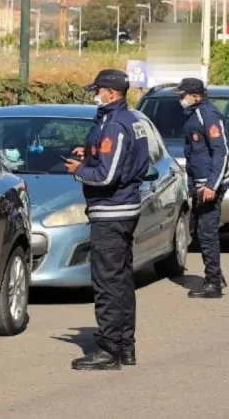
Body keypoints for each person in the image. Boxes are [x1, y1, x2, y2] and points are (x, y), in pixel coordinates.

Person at [63, 68, 150, 371]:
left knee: (107, 282)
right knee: (122, 280)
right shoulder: (131, 120)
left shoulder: (114, 125)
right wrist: (88, 153)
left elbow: (107, 176)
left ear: (111, 93)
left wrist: (79, 170)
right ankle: (126, 345)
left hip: (112, 213)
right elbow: (119, 159)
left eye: (98, 90)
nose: (95, 96)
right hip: (124, 210)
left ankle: (109, 349)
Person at [177, 77, 229, 299]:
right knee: (197, 231)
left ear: (195, 96)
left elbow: (221, 151)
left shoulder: (207, 115)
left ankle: (213, 283)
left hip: (210, 186)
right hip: (199, 185)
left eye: (183, 95)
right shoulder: (195, 115)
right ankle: (216, 274)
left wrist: (212, 185)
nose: (180, 99)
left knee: (207, 234)